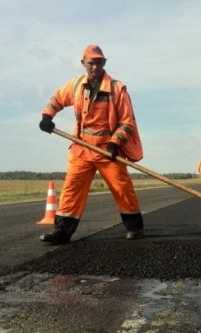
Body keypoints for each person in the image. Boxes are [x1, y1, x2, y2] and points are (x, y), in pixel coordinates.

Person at [38, 44, 145, 244]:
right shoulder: (76, 85)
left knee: (122, 187)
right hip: (81, 149)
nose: (95, 67)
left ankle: (134, 227)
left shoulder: (117, 89)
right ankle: (62, 231)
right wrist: (47, 115)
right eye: (91, 63)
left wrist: (115, 143)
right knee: (72, 189)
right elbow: (58, 98)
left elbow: (127, 121)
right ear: (83, 63)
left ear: (104, 63)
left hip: (107, 150)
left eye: (99, 62)